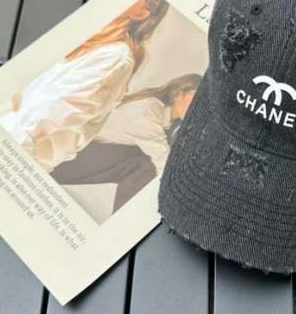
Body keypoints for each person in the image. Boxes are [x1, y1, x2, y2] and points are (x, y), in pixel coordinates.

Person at [0, 0, 168, 172]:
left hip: (13, 152)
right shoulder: (88, 35)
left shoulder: (116, 57)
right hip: (2, 129)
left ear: (140, 14)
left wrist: (4, 134)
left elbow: (53, 111)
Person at [51, 73, 201, 213]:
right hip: (70, 161)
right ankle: (124, 218)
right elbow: (163, 161)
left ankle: (126, 217)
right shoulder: (149, 109)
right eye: (195, 99)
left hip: (87, 158)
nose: (197, 108)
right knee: (147, 164)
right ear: (178, 92)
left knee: (149, 164)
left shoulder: (167, 122)